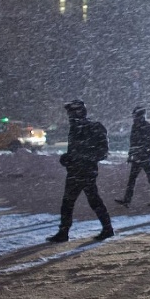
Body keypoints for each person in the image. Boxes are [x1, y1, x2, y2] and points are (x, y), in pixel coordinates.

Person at [46, 100, 114, 243]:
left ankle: (107, 228)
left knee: (92, 201)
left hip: (86, 171)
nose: (69, 116)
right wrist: (68, 158)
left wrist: (80, 158)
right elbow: (75, 150)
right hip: (75, 171)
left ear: (78, 112)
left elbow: (102, 152)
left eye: (71, 113)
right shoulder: (75, 128)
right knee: (69, 202)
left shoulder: (94, 127)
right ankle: (64, 232)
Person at [114, 106, 150, 208]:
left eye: (135, 116)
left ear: (141, 116)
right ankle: (127, 200)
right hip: (137, 157)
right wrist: (131, 155)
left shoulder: (147, 126)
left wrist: (149, 156)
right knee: (133, 179)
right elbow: (133, 142)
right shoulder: (135, 126)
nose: (134, 118)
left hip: (145, 157)